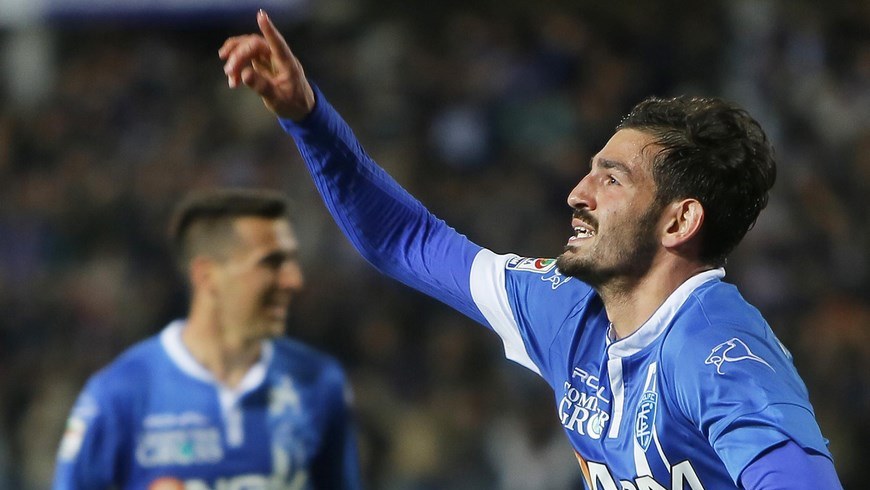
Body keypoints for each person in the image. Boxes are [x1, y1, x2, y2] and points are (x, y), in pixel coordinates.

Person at [219, 10, 844, 490]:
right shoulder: (563, 310)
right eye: (590, 172)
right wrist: (307, 117)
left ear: (679, 221)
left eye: (612, 179)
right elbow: (405, 240)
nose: (578, 193)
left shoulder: (716, 354)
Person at [52, 188, 362, 489]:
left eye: (293, 261)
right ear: (207, 275)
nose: (294, 280)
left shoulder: (319, 381)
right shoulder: (121, 391)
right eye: (271, 262)